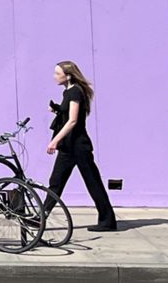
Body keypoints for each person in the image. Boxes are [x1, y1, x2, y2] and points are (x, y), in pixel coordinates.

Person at [46, 61, 118, 232]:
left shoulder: (75, 92)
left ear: (68, 75)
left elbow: (73, 121)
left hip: (78, 146)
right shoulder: (68, 92)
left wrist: (55, 140)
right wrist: (57, 110)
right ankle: (41, 216)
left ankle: (108, 221)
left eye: (58, 73)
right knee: (55, 182)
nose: (55, 77)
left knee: (93, 182)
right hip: (68, 147)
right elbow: (68, 115)